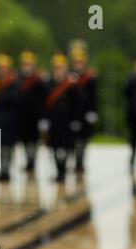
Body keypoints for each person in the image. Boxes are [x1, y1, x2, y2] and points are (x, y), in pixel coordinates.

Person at [43, 53, 82, 182]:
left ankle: (63, 171)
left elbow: (78, 105)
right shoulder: (48, 84)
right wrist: (43, 119)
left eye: (61, 68)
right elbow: (43, 103)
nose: (58, 71)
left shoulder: (71, 85)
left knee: (65, 148)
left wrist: (76, 120)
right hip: (53, 122)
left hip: (67, 122)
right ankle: (58, 171)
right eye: (56, 68)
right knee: (54, 147)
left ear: (65, 69)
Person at [16, 50, 47, 173]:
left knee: (33, 142)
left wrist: (43, 117)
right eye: (25, 64)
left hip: (35, 117)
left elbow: (44, 100)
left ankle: (32, 163)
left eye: (29, 64)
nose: (27, 67)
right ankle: (28, 162)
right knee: (24, 142)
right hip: (22, 116)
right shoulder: (18, 78)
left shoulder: (38, 80)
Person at [0, 54, 18, 181]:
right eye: (0, 68)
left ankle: (7, 171)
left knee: (7, 148)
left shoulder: (13, 82)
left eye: (4, 68)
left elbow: (16, 99)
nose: (2, 70)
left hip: (10, 121)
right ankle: (2, 170)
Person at [71, 48, 98, 173]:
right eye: (76, 62)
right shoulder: (70, 77)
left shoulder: (90, 78)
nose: (78, 64)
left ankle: (80, 162)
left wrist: (93, 111)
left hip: (85, 113)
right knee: (73, 140)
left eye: (80, 62)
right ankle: (75, 161)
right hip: (73, 113)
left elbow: (94, 97)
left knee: (82, 140)